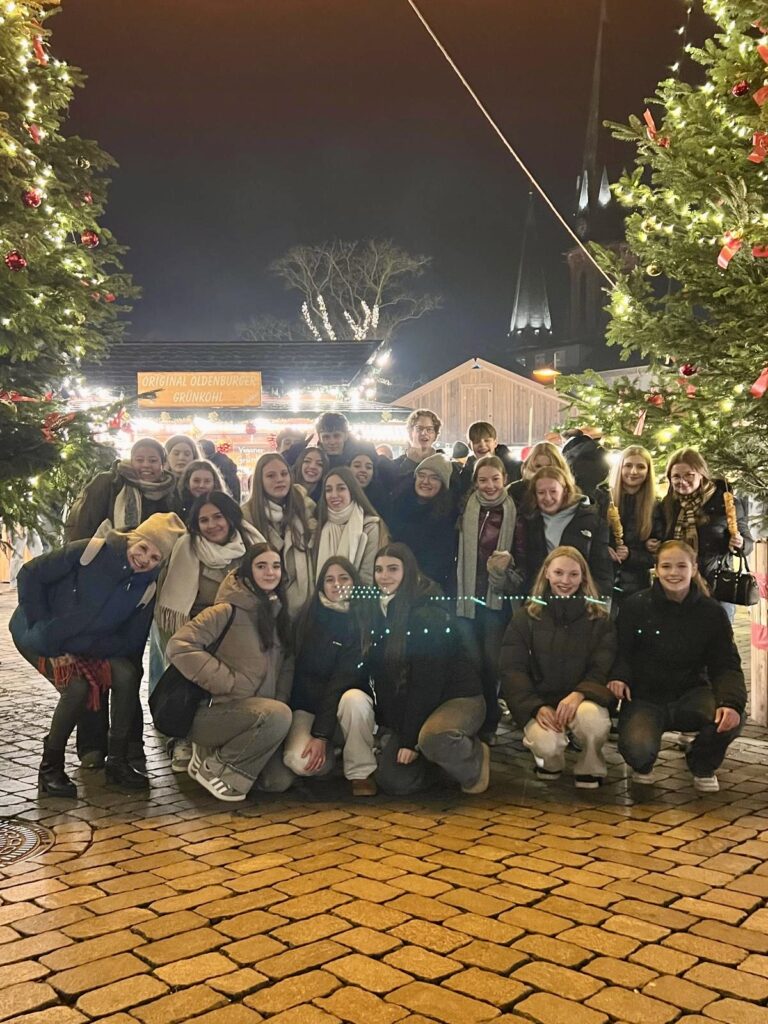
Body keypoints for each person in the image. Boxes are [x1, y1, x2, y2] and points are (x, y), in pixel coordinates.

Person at [10, 513, 185, 797]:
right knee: (76, 688)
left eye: (155, 557)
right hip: (38, 634)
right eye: (143, 548)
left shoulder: (147, 588)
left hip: (85, 643)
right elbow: (30, 573)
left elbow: (129, 641)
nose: (144, 559)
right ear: (132, 539)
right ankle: (50, 766)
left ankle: (117, 760)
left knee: (127, 674)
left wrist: (86, 646)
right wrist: (42, 626)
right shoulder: (89, 551)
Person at [608, 540, 746, 792]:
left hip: (693, 693)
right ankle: (642, 759)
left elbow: (726, 664)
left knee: (731, 716)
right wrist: (619, 676)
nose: (674, 573)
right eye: (666, 566)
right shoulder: (635, 606)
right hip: (646, 697)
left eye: (681, 566)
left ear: (694, 569)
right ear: (657, 569)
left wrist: (730, 702)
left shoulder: (712, 612)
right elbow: (621, 652)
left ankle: (702, 762)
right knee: (638, 751)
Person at [166, 544, 294, 801]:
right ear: (248, 571)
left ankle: (215, 755)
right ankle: (216, 768)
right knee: (278, 715)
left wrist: (278, 703)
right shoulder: (226, 610)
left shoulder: (279, 614)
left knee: (277, 781)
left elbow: (285, 667)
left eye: (276, 566)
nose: (270, 572)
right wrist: (226, 681)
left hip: (256, 715)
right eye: (261, 566)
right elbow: (179, 646)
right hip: (214, 711)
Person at [366, 543, 489, 796]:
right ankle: (441, 765)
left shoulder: (427, 613)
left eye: (393, 569)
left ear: (408, 571)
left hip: (456, 698)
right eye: (379, 570)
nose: (384, 576)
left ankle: (474, 759)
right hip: (417, 705)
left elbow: (426, 682)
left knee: (434, 738)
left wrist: (410, 740)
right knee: (394, 781)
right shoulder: (383, 609)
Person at [152, 491, 265, 767]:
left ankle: (234, 737)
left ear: (230, 517)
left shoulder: (252, 544)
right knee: (193, 683)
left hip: (243, 628)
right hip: (200, 631)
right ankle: (183, 736)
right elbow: (171, 604)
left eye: (218, 517)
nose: (212, 525)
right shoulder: (186, 549)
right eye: (204, 520)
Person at [500, 546, 616, 788]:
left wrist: (580, 693)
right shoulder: (525, 618)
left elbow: (602, 665)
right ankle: (550, 762)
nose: (565, 581)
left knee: (593, 722)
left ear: (583, 577)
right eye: (559, 573)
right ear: (547, 574)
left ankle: (591, 764)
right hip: (541, 700)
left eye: (573, 574)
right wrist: (535, 707)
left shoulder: (599, 619)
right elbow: (513, 669)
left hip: (582, 699)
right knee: (546, 744)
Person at [282, 557, 377, 795]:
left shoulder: (364, 618)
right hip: (309, 707)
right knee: (299, 761)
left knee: (353, 700)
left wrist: (321, 735)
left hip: (345, 704)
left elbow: (341, 681)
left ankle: (360, 773)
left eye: (344, 578)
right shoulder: (307, 617)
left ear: (354, 582)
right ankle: (332, 761)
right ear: (321, 585)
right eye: (330, 579)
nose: (337, 584)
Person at [456, 455, 522, 742]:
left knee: (492, 663)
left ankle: (490, 720)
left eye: (495, 479)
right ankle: (475, 719)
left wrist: (507, 568)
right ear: (475, 482)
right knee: (471, 661)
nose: (490, 485)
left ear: (504, 479)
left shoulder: (514, 513)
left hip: (497, 600)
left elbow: (522, 557)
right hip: (466, 597)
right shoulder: (466, 509)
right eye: (483, 480)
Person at [660, 448, 753, 621]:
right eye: (676, 476)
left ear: (701, 474)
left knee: (717, 635)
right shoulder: (669, 504)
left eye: (689, 475)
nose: (682, 481)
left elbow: (748, 543)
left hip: (715, 585)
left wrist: (740, 543)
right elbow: (663, 538)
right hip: (678, 586)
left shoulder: (726, 502)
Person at [515, 466, 613, 600]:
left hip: (581, 600)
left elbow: (602, 570)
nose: (547, 498)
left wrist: (594, 600)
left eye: (553, 491)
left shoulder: (592, 521)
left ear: (565, 491)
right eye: (541, 492)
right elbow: (527, 567)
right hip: (542, 600)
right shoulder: (529, 523)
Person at [242, 453, 315, 620]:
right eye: (271, 476)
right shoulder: (247, 516)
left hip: (303, 596)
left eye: (284, 474)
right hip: (264, 597)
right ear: (260, 480)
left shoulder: (305, 507)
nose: (279, 480)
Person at [65, 438, 178, 542]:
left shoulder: (169, 490)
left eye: (153, 461)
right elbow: (85, 524)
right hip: (103, 552)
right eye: (139, 460)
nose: (146, 465)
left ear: (163, 464)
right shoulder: (109, 482)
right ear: (131, 461)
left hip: (148, 555)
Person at [388, 454, 459, 595]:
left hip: (427, 588)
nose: (426, 481)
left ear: (443, 484)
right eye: (421, 475)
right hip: (393, 582)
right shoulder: (397, 505)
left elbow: (441, 561)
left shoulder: (447, 517)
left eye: (434, 478)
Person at [608, 446, 664, 603]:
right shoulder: (604, 499)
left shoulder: (654, 507)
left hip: (637, 584)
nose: (633, 472)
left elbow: (656, 556)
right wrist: (605, 548)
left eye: (640, 467)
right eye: (628, 465)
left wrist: (630, 555)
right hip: (605, 579)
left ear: (648, 471)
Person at [314, 467, 386, 587]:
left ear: (352, 491)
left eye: (341, 488)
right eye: (328, 490)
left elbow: (367, 577)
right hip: (321, 594)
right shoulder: (320, 523)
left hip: (355, 595)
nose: (334, 495)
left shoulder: (369, 526)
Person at [381, 409, 445, 488]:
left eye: (429, 429)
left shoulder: (445, 464)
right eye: (419, 428)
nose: (424, 433)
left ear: (435, 435)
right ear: (410, 432)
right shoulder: (395, 466)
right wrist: (410, 463)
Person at [458, 421, 522, 495]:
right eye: (477, 442)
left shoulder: (514, 468)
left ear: (495, 442)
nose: (482, 445)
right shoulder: (466, 473)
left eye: (487, 440)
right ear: (470, 446)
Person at [507, 441, 574, 510]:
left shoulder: (571, 491)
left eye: (549, 466)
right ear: (530, 467)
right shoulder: (516, 491)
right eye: (538, 466)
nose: (543, 471)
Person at [283, 412, 356, 469]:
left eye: (336, 436)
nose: (332, 442)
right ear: (319, 438)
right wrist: (292, 457)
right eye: (326, 437)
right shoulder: (311, 460)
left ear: (346, 436)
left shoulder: (357, 459)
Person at [562, 427, 611, 503]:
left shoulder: (570, 454)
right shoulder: (596, 449)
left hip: (577, 497)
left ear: (565, 440)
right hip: (599, 496)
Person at [348, 442, 390, 520]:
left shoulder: (381, 499)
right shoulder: (339, 495)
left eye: (368, 467)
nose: (363, 470)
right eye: (357, 466)